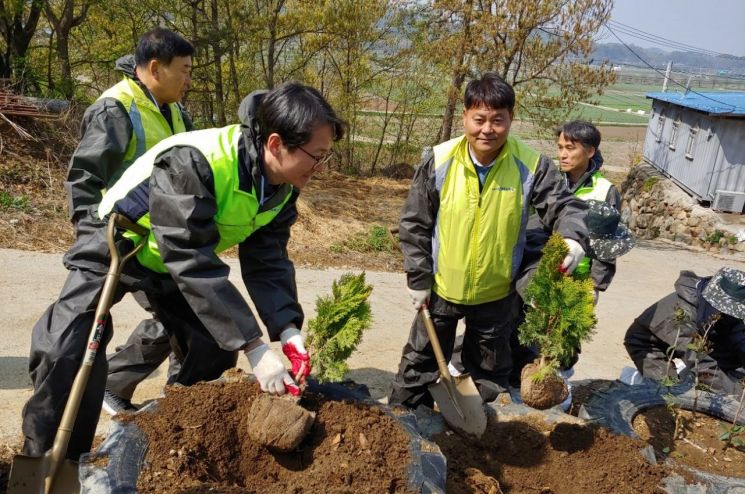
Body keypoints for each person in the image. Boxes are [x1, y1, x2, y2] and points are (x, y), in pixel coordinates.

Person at [21, 81, 344, 461]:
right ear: (276, 144)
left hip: (174, 259)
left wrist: (287, 328)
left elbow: (268, 259)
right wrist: (255, 345)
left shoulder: (283, 188)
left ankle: (175, 447)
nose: (320, 168)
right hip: (120, 241)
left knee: (211, 350)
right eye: (316, 156)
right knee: (67, 347)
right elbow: (187, 253)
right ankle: (52, 460)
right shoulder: (196, 160)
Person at [388, 73, 590, 409]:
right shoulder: (439, 161)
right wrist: (418, 278)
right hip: (440, 290)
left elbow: (565, 206)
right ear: (465, 115)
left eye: (498, 120)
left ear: (511, 118)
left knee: (489, 375)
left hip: (497, 296)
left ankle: (480, 440)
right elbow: (415, 223)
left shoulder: (531, 166)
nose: (487, 129)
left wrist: (572, 237)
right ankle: (404, 427)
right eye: (479, 119)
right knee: (417, 368)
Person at [62, 28, 195, 415]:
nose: (188, 80)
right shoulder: (117, 109)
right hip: (117, 239)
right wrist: (94, 241)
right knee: (79, 327)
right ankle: (69, 406)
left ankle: (134, 388)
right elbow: (84, 179)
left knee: (190, 316)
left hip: (159, 241)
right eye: (184, 71)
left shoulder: (176, 112)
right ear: (156, 68)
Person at [624, 267, 745, 396]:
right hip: (649, 344)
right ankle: (637, 383)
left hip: (698, 338)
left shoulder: (716, 308)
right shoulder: (682, 315)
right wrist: (735, 397)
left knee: (731, 362)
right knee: (669, 391)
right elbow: (702, 364)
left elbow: (738, 333)